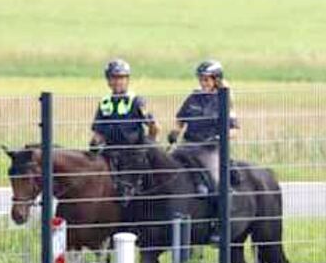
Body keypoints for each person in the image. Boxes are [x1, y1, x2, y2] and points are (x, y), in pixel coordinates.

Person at [90, 59, 159, 201]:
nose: (117, 82)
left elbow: (154, 127)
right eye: (114, 78)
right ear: (108, 81)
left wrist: (149, 144)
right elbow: (98, 132)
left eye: (121, 78)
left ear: (127, 80)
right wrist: (94, 145)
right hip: (109, 151)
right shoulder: (105, 102)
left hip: (132, 153)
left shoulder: (136, 101)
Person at [167, 60, 237, 194]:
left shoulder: (224, 99)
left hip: (210, 149)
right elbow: (181, 120)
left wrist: (219, 137)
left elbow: (234, 130)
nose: (203, 83)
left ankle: (222, 209)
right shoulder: (194, 97)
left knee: (216, 182)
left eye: (206, 80)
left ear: (216, 80)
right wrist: (175, 132)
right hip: (188, 145)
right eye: (201, 80)